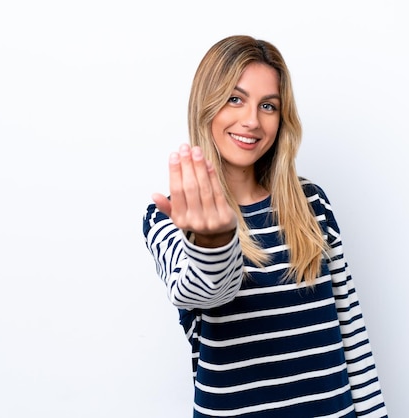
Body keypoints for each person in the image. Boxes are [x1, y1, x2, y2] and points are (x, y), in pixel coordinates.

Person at [142, 35, 388, 418]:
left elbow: (352, 336)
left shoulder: (312, 203)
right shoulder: (170, 216)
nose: (252, 121)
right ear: (205, 105)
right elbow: (203, 292)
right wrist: (215, 240)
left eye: (268, 106)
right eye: (235, 99)